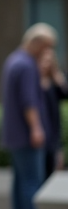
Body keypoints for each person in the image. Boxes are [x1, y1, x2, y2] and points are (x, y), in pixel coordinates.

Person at [0, 23, 58, 209]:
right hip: (26, 134)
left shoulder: (14, 60)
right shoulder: (26, 66)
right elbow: (29, 101)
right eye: (46, 47)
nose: (48, 52)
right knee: (32, 181)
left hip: (14, 134)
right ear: (36, 43)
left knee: (20, 181)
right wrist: (36, 127)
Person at [39, 47, 68, 184]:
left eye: (49, 61)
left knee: (50, 173)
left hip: (52, 135)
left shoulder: (54, 83)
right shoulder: (33, 82)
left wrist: (57, 75)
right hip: (38, 136)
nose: (46, 64)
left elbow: (65, 94)